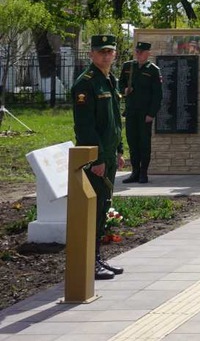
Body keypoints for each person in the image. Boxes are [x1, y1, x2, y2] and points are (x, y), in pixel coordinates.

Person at [71, 33, 126, 280]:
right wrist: (98, 159)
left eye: (109, 51)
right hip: (97, 159)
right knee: (93, 211)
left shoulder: (110, 80)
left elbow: (115, 120)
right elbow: (85, 127)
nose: (106, 55)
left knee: (103, 207)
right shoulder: (86, 83)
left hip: (109, 155)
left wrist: (119, 149)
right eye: (101, 51)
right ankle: (89, 263)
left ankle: (97, 258)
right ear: (91, 54)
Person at [120, 41, 163, 184]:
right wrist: (124, 90)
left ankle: (143, 172)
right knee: (132, 142)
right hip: (131, 111)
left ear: (148, 53)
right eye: (137, 51)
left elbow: (158, 95)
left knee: (144, 143)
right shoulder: (128, 67)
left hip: (145, 113)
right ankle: (135, 172)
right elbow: (120, 84)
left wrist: (151, 114)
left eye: (142, 52)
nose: (138, 54)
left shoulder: (153, 70)